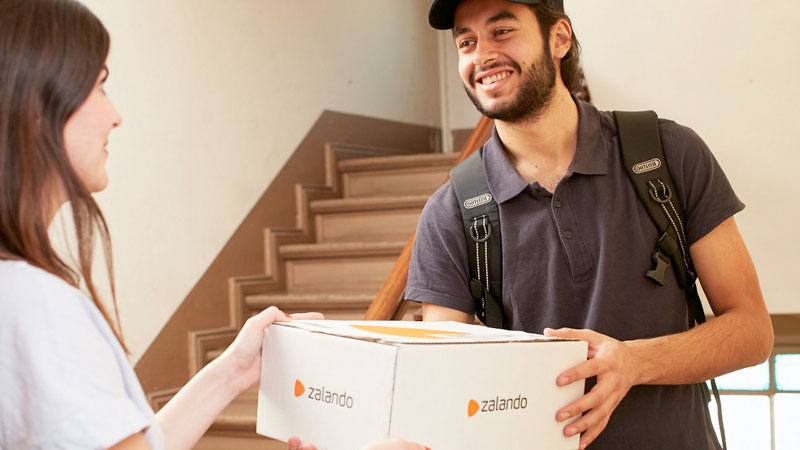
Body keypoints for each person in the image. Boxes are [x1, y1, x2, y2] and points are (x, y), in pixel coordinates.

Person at [0, 1, 428, 449]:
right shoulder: (37, 305)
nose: (116, 115)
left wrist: (232, 371)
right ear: (35, 105)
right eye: (99, 85)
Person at [407, 0, 774, 449]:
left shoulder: (667, 155)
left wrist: (635, 362)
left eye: (501, 31)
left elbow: (752, 331)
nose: (481, 55)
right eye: (466, 42)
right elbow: (443, 381)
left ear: (559, 38)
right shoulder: (449, 212)